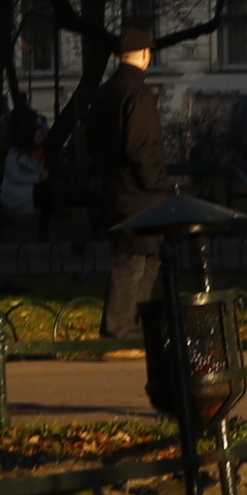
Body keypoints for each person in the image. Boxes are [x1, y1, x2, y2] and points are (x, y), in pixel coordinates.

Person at [76, 24, 170, 340]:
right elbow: (141, 147)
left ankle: (130, 325)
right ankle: (122, 327)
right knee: (137, 261)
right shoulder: (138, 94)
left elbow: (91, 141)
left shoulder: (105, 92)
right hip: (141, 193)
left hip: (114, 187)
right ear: (145, 55)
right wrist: (159, 184)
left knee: (134, 257)